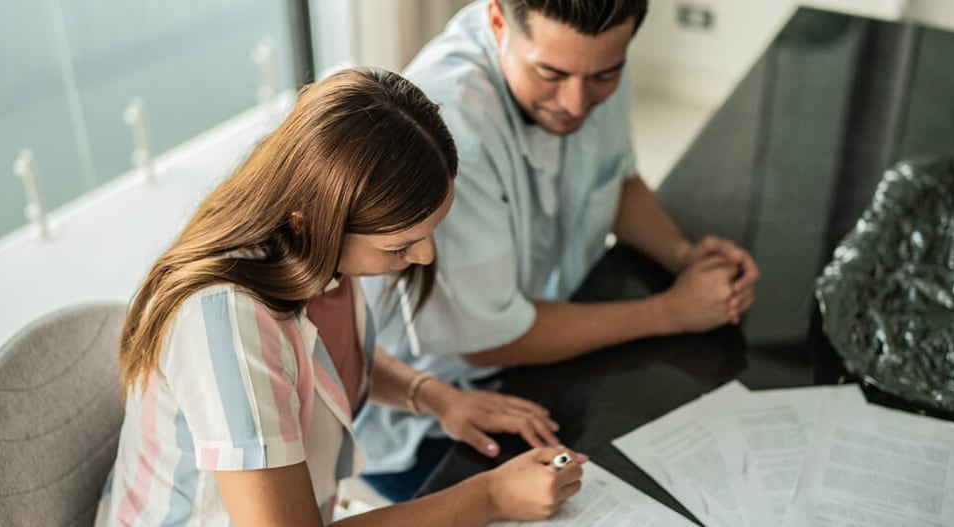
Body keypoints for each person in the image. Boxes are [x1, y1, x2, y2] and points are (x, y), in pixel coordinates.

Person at [95, 67, 586, 527]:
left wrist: (437, 397)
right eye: (400, 245)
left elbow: (321, 362)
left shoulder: (315, 249)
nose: (426, 256)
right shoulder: (225, 324)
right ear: (312, 220)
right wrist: (489, 497)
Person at [355, 0, 761, 501]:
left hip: (543, 344)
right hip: (436, 408)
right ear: (498, 21)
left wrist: (685, 258)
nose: (575, 102)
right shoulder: (452, 125)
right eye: (550, 73)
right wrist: (673, 311)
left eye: (604, 76)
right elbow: (488, 339)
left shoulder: (591, 61)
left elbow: (616, 180)